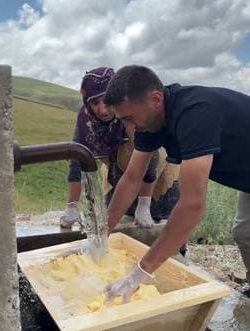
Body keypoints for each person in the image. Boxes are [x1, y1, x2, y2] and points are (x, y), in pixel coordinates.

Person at [103, 65, 250, 301]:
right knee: (245, 232)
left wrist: (140, 272)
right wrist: (102, 233)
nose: (128, 128)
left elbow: (192, 205)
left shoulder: (195, 113)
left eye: (129, 118)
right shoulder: (148, 122)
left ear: (156, 98)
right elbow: (131, 178)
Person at [60, 67, 159, 230]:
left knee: (156, 233)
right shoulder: (86, 121)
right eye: (94, 102)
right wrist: (72, 206)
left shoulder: (130, 113)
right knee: (114, 232)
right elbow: (77, 161)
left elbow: (152, 160)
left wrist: (144, 205)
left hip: (154, 187)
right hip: (117, 182)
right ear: (87, 102)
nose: (102, 110)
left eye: (106, 100)